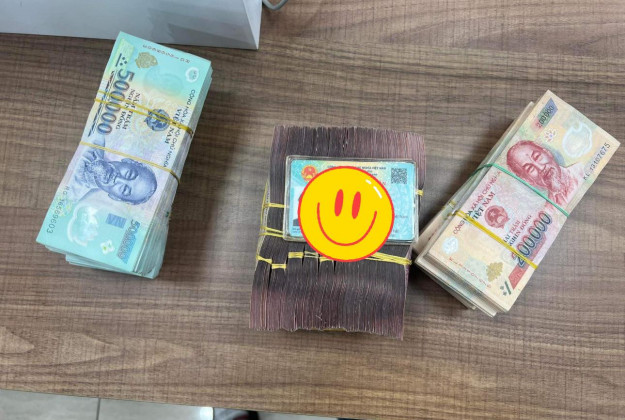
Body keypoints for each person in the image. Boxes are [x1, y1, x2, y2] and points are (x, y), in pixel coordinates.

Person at [71, 135, 158, 205]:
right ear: (128, 161)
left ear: (114, 197)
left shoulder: (72, 194)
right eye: (129, 174)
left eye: (124, 189)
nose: (118, 179)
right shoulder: (97, 137)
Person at [506, 141, 584, 207]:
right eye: (530, 168)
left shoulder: (582, 170)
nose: (541, 167)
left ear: (548, 153)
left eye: (537, 157)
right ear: (527, 180)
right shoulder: (551, 211)